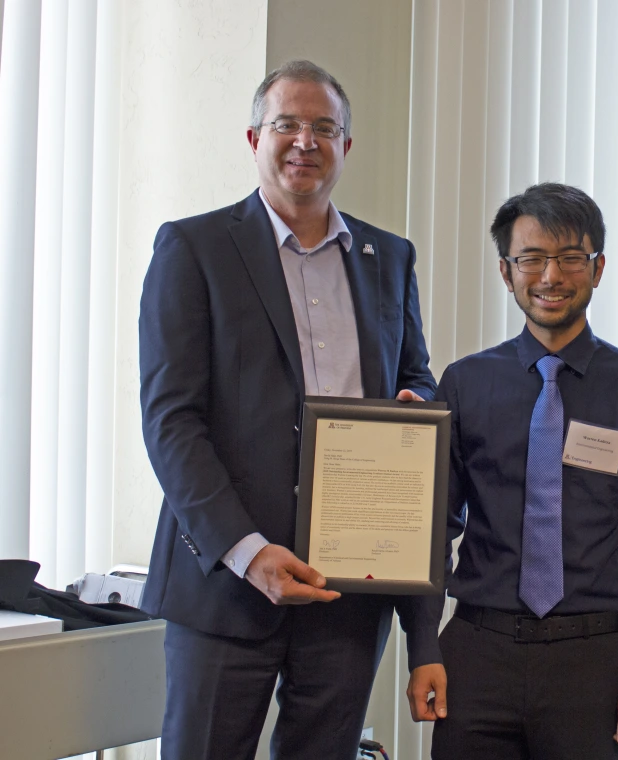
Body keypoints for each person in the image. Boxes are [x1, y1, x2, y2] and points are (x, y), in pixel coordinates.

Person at [138, 60, 439, 759]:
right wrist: (247, 552)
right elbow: (171, 420)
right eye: (287, 124)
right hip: (226, 584)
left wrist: (414, 409)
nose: (306, 140)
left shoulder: (388, 257)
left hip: (349, 590)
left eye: (324, 128)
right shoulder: (194, 249)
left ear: (346, 147)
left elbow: (414, 379)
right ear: (253, 138)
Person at [405, 183, 618, 759]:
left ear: (598, 268)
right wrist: (424, 646)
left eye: (570, 258)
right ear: (507, 273)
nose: (551, 276)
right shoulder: (466, 384)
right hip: (477, 654)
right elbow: (432, 531)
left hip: (594, 659)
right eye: (531, 259)